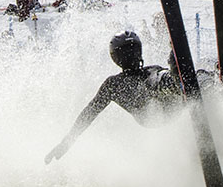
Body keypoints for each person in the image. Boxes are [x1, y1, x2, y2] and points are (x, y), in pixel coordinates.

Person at [44, 31, 182, 164]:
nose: (131, 55)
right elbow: (90, 112)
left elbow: (89, 112)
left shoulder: (149, 71)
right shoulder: (113, 84)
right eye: (127, 52)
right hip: (150, 113)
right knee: (153, 78)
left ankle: (182, 78)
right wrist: (67, 141)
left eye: (133, 51)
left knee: (157, 75)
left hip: (170, 105)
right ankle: (176, 72)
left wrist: (67, 142)